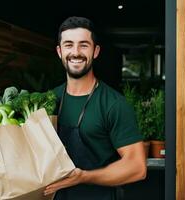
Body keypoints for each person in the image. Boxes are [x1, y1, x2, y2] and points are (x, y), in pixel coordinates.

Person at [44, 16, 146, 200]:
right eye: (68, 45)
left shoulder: (113, 104)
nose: (76, 52)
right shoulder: (49, 100)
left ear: (95, 51)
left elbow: (137, 167)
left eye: (83, 45)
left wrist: (84, 177)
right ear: (59, 51)